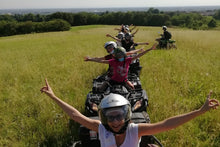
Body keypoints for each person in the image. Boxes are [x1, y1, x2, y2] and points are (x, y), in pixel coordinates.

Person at [40, 79, 219, 147]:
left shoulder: (135, 130)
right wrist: (53, 96)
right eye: (110, 117)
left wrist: (199, 111)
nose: (115, 121)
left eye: (119, 115)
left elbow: (166, 125)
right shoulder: (100, 128)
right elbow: (75, 116)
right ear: (104, 118)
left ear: (126, 115)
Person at [85, 44, 157, 90]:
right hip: (113, 80)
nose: (120, 57)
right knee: (101, 89)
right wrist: (90, 59)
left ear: (124, 55)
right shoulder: (113, 61)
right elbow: (101, 61)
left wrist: (149, 49)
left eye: (122, 55)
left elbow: (139, 55)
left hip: (124, 80)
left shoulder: (128, 60)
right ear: (115, 56)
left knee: (132, 89)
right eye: (118, 56)